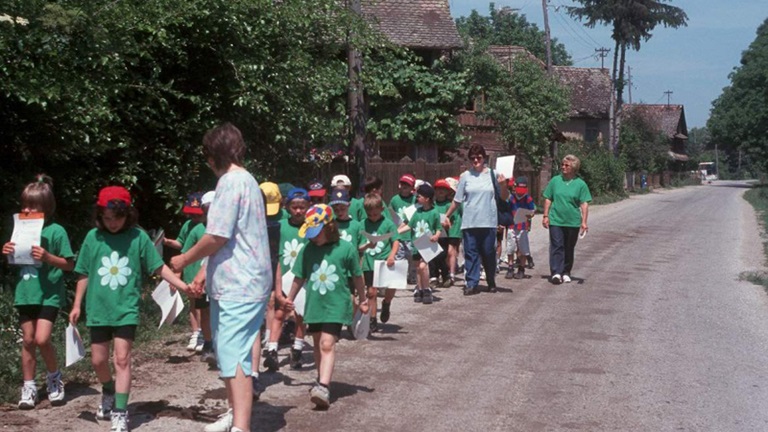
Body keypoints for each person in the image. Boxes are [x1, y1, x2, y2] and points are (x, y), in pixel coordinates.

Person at [169, 123, 272, 432]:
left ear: (212, 155)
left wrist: (185, 259)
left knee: (233, 354)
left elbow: (217, 236)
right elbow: (237, 237)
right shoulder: (249, 181)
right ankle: (233, 413)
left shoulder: (229, 183)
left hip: (239, 284)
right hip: (245, 279)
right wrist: (203, 271)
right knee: (232, 351)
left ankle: (241, 425)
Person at [69, 185, 190, 432]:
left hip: (126, 308)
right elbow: (83, 272)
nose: (112, 223)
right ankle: (108, 390)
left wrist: (182, 285)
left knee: (122, 359)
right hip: (98, 309)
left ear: (128, 214)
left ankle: (121, 412)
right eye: (107, 218)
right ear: (100, 215)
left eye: (118, 217)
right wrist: (76, 304)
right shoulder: (93, 238)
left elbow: (158, 267)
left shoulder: (138, 237)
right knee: (98, 360)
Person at [284, 204, 368, 409]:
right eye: (310, 234)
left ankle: (323, 386)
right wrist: (290, 298)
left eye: (316, 233)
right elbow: (299, 276)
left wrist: (363, 299)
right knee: (318, 344)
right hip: (315, 305)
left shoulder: (346, 248)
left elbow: (357, 276)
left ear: (329, 228)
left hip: (336, 305)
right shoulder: (308, 249)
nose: (312, 237)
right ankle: (321, 377)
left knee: (327, 344)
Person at [2, 175, 74, 410]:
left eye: (33, 206)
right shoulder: (19, 229)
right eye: (24, 205)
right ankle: (29, 386)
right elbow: (14, 261)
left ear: (46, 207)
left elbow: (69, 264)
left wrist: (48, 257)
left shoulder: (56, 231)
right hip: (25, 293)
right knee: (29, 340)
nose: (26, 210)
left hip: (49, 294)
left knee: (43, 339)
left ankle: (54, 378)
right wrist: (7, 252)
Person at [443, 144, 508, 295]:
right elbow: (457, 200)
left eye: (478, 157)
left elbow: (504, 197)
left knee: (488, 252)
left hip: (488, 221)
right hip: (470, 222)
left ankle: (491, 280)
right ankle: (472, 283)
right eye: (472, 158)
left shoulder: (493, 174)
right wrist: (447, 215)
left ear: (484, 158)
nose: (476, 160)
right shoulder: (465, 176)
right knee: (470, 253)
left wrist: (503, 185)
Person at [264, 187, 310, 371]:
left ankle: (297, 349)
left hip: (304, 279)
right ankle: (272, 351)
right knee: (279, 312)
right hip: (283, 278)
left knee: (301, 315)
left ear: (308, 206)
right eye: (294, 207)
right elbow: (276, 257)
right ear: (287, 207)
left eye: (302, 207)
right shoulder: (280, 226)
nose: (298, 211)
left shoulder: (312, 227)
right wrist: (276, 285)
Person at [177, 192, 215, 363]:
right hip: (202, 276)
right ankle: (208, 342)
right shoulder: (199, 229)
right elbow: (187, 251)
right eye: (207, 210)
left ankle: (221, 343)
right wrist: (179, 270)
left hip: (222, 277)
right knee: (204, 310)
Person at [542, 154, 591, 284]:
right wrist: (546, 216)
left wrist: (584, 222)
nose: (563, 167)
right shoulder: (555, 181)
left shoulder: (580, 184)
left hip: (573, 221)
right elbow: (548, 198)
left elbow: (584, 203)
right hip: (556, 219)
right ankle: (556, 272)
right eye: (562, 165)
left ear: (573, 167)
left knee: (569, 247)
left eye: (566, 165)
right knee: (557, 246)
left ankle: (566, 271)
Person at [360, 193, 399, 330]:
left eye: (375, 214)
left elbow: (395, 241)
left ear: (382, 209)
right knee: (371, 292)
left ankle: (387, 303)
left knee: (391, 286)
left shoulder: (388, 224)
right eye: (369, 215)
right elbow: (358, 244)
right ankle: (372, 319)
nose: (373, 217)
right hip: (369, 262)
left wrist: (392, 256)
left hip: (385, 261)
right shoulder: (362, 224)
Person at [174, 192, 207, 352]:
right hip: (192, 270)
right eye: (191, 215)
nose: (194, 218)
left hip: (208, 272)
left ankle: (206, 334)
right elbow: (183, 249)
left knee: (207, 306)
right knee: (194, 303)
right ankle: (196, 333)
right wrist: (177, 274)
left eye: (198, 215)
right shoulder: (191, 228)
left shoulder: (209, 228)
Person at [399, 183, 441, 304]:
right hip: (416, 244)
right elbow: (409, 226)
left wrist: (436, 236)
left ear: (427, 198)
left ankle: (427, 289)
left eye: (419, 196)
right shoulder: (417, 212)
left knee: (423, 266)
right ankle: (420, 288)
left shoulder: (434, 212)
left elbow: (438, 228)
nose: (417, 198)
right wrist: (398, 232)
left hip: (427, 245)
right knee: (417, 267)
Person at [504, 177, 536, 280]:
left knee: (522, 249)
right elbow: (506, 210)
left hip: (522, 227)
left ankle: (521, 269)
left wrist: (530, 215)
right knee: (510, 248)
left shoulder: (528, 198)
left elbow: (532, 210)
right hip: (511, 226)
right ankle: (510, 267)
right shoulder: (511, 198)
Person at [431, 179, 456, 288]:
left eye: (443, 189)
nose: (440, 191)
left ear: (447, 192)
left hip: (444, 235)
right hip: (432, 235)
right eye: (438, 189)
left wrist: (447, 225)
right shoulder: (432, 205)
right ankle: (434, 277)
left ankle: (446, 275)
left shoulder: (449, 205)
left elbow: (452, 221)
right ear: (435, 191)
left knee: (442, 256)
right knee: (432, 257)